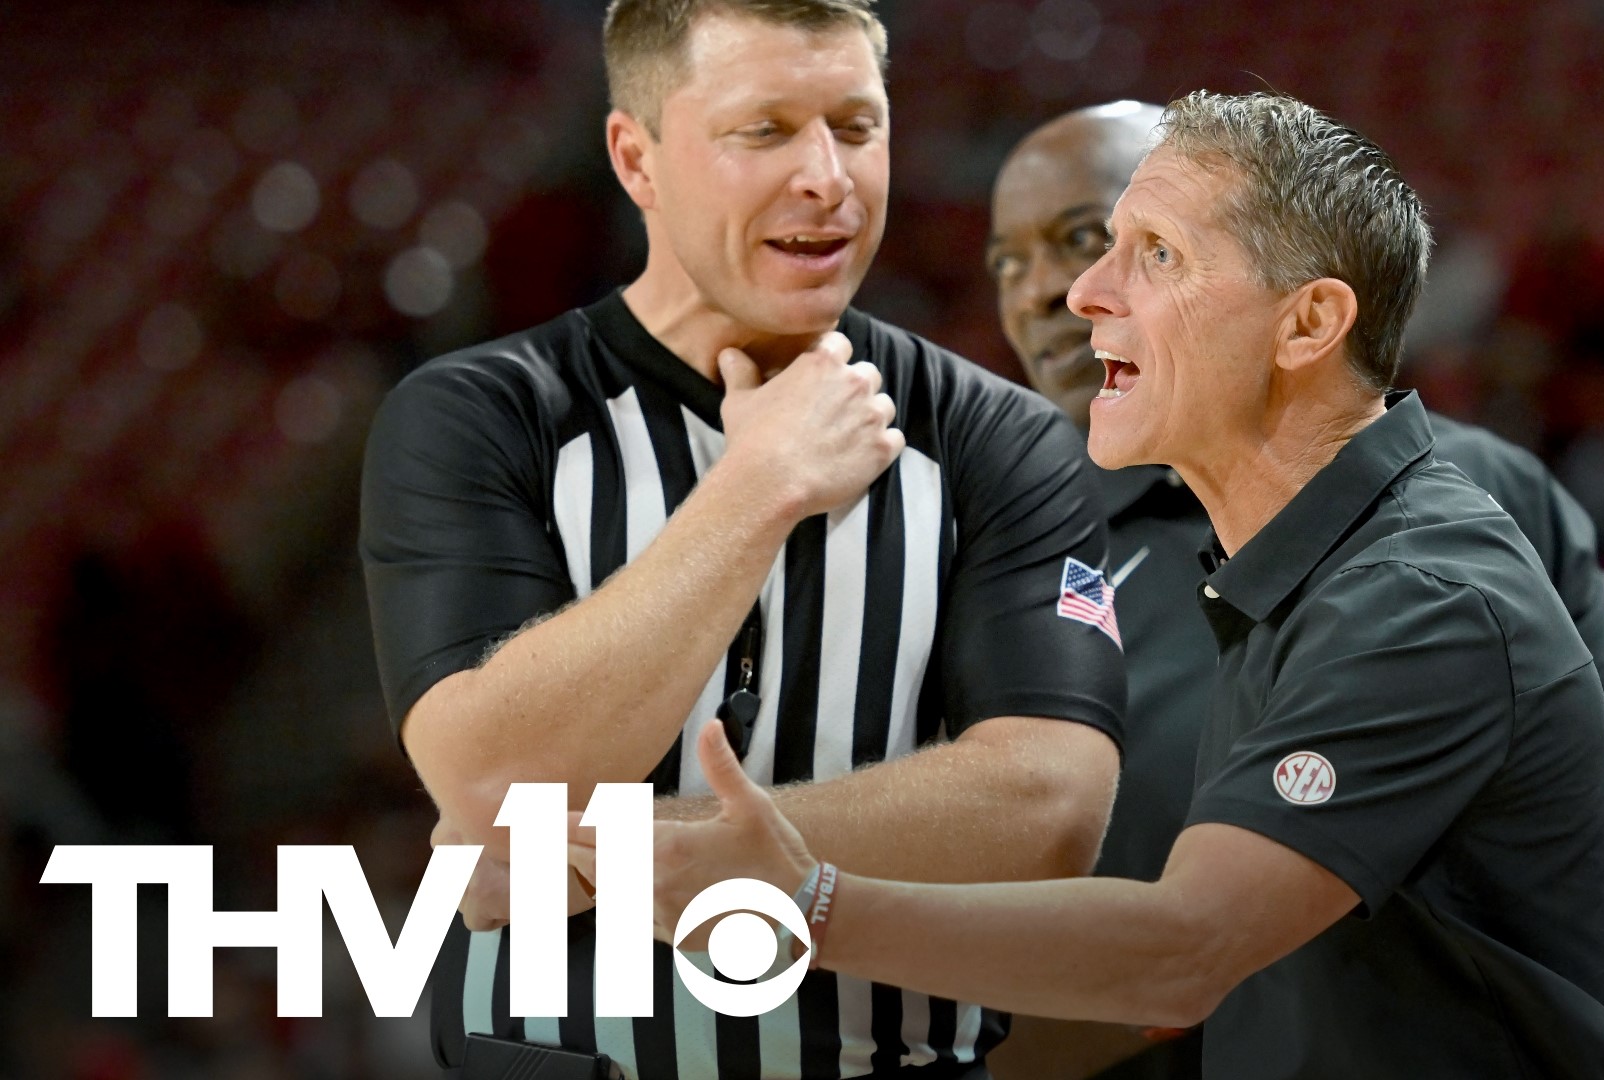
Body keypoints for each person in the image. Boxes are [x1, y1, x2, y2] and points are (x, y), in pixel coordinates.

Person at [652, 89, 1604, 1079]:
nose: (1085, 292)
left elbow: (1181, 954)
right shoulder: (1290, 573)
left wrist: (806, 903)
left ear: (1307, 323)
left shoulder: (1418, 595)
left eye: (1156, 254)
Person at [358, 2, 1126, 1077]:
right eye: (762, 131)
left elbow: (1048, 807)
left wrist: (634, 856)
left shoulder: (1000, 439)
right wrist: (758, 487)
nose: (828, 178)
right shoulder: (482, 414)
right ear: (639, 158)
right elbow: (496, 780)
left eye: (857, 126)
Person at [980, 102, 1604, 1078]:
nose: (1054, 294)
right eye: (1007, 264)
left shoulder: (1468, 516)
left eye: (1114, 242)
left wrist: (1284, 960)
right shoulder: (995, 552)